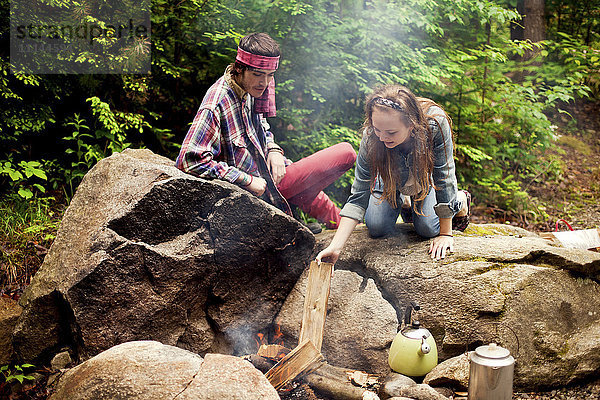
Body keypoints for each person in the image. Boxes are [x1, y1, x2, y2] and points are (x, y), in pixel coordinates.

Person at [176, 33, 356, 230]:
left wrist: (273, 149)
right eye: (258, 74)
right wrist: (247, 180)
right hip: (259, 190)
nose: (265, 82)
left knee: (316, 197)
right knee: (345, 153)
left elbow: (263, 126)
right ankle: (308, 223)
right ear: (239, 68)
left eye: (270, 75)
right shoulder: (217, 103)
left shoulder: (254, 88)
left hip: (271, 172)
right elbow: (188, 160)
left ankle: (342, 229)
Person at [316, 84, 471, 263]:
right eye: (377, 129)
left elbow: (444, 176)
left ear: (411, 125)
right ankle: (407, 202)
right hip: (389, 176)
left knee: (427, 228)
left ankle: (459, 201)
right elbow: (358, 196)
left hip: (424, 178)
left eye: (391, 132)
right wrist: (336, 247)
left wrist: (446, 234)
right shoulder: (371, 137)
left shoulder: (434, 123)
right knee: (376, 226)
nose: (382, 137)